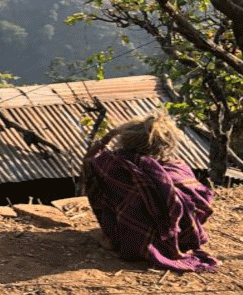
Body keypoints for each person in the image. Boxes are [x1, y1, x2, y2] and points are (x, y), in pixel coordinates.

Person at [83, 111, 219, 272]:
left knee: (101, 184)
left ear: (125, 139)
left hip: (130, 240)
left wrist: (108, 136)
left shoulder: (112, 164)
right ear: (168, 143)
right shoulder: (178, 169)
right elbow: (203, 203)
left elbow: (88, 162)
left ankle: (115, 236)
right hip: (180, 238)